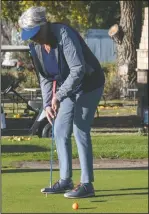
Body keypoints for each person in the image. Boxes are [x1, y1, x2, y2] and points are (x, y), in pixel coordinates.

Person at [18, 6, 105, 199]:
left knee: (79, 127)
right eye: (30, 35)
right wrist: (48, 103)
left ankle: (86, 184)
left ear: (44, 26)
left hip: (89, 83)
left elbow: (78, 70)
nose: (33, 38)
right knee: (59, 129)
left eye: (35, 33)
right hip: (68, 88)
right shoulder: (36, 47)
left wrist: (59, 96)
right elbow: (46, 77)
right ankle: (65, 180)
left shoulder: (64, 34)